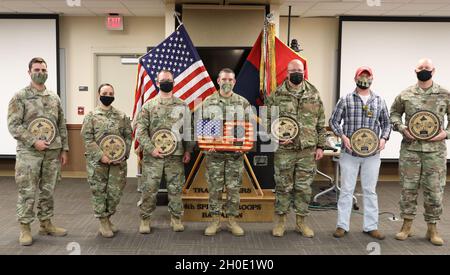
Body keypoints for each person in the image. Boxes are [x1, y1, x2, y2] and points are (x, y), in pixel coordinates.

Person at [7, 57, 69, 246]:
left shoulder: (54, 97)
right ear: (29, 72)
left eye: (43, 70)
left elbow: (61, 125)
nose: (40, 73)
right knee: (27, 190)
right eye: (37, 69)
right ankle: (25, 227)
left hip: (52, 152)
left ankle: (46, 223)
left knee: (48, 190)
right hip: (29, 154)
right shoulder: (20, 97)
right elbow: (13, 125)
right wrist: (34, 142)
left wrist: (64, 148)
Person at [390, 58, 450, 246]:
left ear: (434, 70)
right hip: (411, 151)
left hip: (435, 153)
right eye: (420, 68)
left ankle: (432, 229)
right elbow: (394, 114)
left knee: (434, 191)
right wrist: (401, 128)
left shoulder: (444, 94)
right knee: (408, 190)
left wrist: (445, 134)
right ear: (414, 70)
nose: (424, 70)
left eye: (427, 68)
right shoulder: (406, 94)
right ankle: (406, 226)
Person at [265, 59, 326, 238]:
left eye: (299, 70)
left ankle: (301, 223)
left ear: (304, 71)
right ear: (287, 72)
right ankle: (281, 222)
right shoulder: (277, 94)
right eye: (293, 70)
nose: (297, 73)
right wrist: (275, 137)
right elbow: (267, 120)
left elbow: (321, 122)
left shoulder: (313, 93)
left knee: (304, 188)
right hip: (284, 150)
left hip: (307, 150)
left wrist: (321, 145)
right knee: (283, 186)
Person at [329, 66, 391, 240]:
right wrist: (342, 136)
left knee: (370, 190)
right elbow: (333, 121)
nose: (364, 78)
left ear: (372, 79)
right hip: (349, 154)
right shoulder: (346, 99)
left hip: (372, 155)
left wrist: (384, 139)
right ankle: (342, 225)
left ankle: (371, 226)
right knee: (347, 190)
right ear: (355, 78)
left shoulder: (379, 100)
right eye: (361, 76)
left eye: (367, 76)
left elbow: (387, 124)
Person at [136, 69, 192, 233]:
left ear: (173, 82)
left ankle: (176, 218)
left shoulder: (182, 105)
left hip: (175, 156)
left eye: (169, 80)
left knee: (175, 189)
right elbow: (140, 132)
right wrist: (151, 149)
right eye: (163, 80)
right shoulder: (149, 105)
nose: (166, 82)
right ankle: (145, 220)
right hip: (153, 157)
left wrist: (188, 150)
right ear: (157, 82)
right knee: (149, 188)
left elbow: (188, 130)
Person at [200, 68, 252, 237]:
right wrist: (208, 144)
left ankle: (231, 221)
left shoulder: (243, 103)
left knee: (233, 189)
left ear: (234, 82)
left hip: (234, 156)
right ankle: (214, 221)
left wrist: (243, 146)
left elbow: (249, 128)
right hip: (214, 156)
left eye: (230, 79)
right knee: (214, 189)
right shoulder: (208, 102)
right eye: (224, 79)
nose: (227, 82)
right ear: (218, 80)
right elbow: (201, 127)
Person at [81, 83, 132, 238]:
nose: (108, 95)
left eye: (111, 93)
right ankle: (103, 221)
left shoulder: (121, 116)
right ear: (99, 94)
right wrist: (101, 156)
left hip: (118, 163)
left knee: (115, 192)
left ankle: (108, 217)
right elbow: (87, 138)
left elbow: (128, 136)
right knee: (99, 192)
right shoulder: (91, 116)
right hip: (97, 163)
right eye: (105, 93)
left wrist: (123, 155)